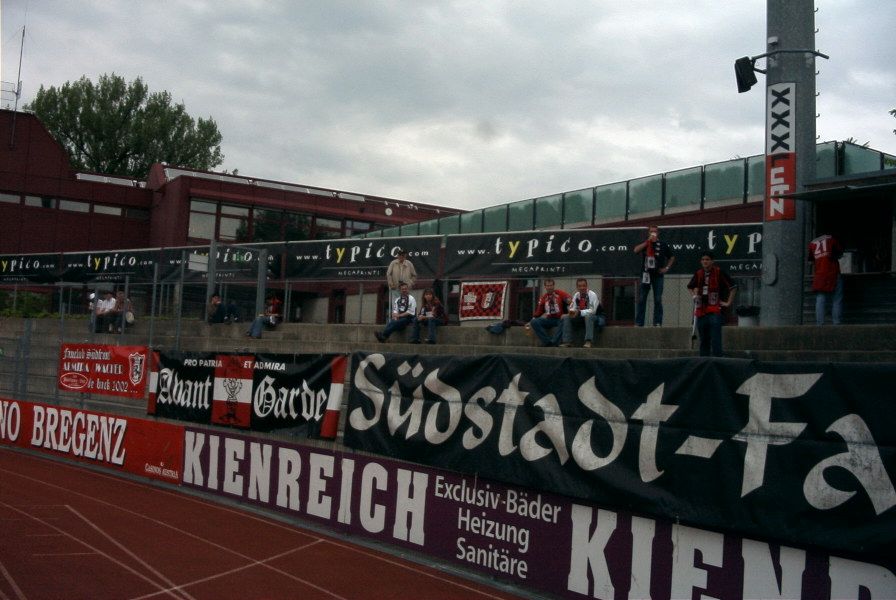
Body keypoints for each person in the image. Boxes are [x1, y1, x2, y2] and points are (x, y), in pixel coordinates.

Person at [687, 253, 737, 357]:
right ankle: (704, 361)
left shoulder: (719, 272)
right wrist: (694, 296)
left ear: (712, 261)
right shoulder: (699, 273)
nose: (705, 261)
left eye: (707, 259)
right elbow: (690, 286)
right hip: (701, 311)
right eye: (703, 259)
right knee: (703, 339)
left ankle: (717, 359)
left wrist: (728, 302)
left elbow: (733, 286)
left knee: (715, 338)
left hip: (715, 310)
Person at [633, 225, 675, 326]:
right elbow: (635, 250)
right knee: (642, 298)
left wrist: (666, 268)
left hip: (658, 275)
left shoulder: (663, 244)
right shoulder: (646, 244)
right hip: (646, 274)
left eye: (655, 232)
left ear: (658, 233)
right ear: (648, 233)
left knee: (658, 299)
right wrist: (648, 242)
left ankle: (657, 322)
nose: (653, 233)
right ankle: (639, 322)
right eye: (651, 231)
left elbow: (671, 257)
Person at [808, 233, 844, 325]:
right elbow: (839, 254)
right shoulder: (831, 239)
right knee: (837, 298)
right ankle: (836, 323)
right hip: (833, 272)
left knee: (820, 298)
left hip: (819, 275)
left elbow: (811, 261)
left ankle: (820, 324)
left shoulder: (812, 244)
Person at [559, 278, 605, 348]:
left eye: (583, 286)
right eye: (580, 286)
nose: (582, 288)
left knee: (588, 316)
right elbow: (573, 308)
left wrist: (580, 312)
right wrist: (570, 313)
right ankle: (567, 342)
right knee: (566, 317)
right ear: (577, 287)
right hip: (581, 318)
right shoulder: (576, 295)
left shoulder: (592, 295)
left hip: (596, 317)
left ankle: (588, 341)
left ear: (586, 286)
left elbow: (593, 311)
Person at [528, 278, 571, 347]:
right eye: (547, 286)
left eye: (551, 285)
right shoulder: (544, 297)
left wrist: (568, 300)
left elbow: (568, 299)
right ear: (545, 287)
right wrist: (532, 320)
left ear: (553, 286)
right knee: (534, 322)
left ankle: (554, 342)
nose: (549, 287)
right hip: (549, 319)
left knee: (564, 320)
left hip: (559, 319)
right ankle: (547, 342)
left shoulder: (559, 293)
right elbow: (539, 311)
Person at [385, 249, 417, 318]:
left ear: (405, 256)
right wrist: (391, 284)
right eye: (400, 255)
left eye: (403, 255)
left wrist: (410, 283)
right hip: (395, 287)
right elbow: (388, 274)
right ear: (397, 256)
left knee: (407, 303)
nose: (401, 256)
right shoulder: (393, 263)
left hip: (406, 288)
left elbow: (414, 275)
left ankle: (405, 318)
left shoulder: (409, 263)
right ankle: (395, 318)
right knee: (395, 304)